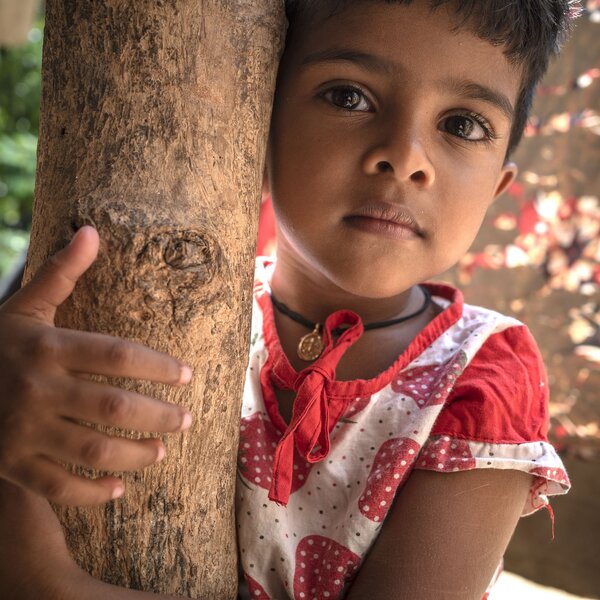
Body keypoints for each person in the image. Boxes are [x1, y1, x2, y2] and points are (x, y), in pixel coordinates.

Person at [0, 1, 577, 598]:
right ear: (257, 129)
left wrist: (53, 588)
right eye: (349, 97)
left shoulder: (480, 376)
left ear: (497, 187)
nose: (405, 158)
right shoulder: (160, 296)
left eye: (463, 124)